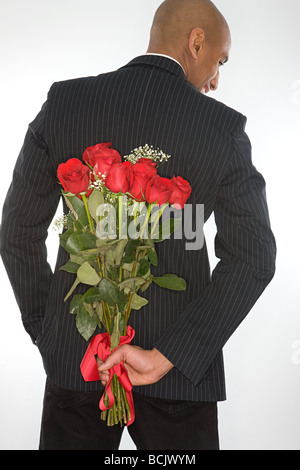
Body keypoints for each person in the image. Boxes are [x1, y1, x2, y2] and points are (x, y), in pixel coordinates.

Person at [0, 0, 276, 451]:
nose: (217, 78)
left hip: (79, 363)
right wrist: (172, 356)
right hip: (180, 379)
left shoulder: (66, 103)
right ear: (196, 42)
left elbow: (16, 233)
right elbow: (254, 258)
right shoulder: (221, 129)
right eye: (219, 60)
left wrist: (50, 329)